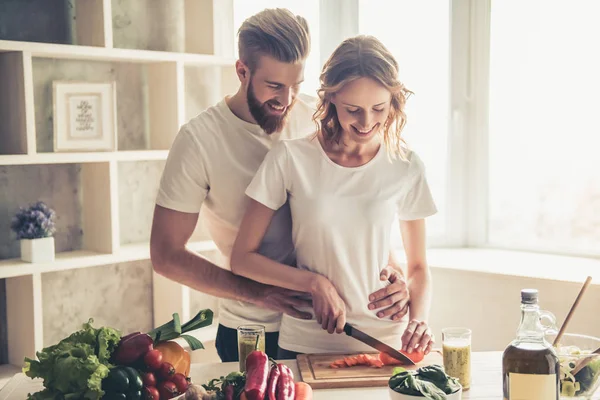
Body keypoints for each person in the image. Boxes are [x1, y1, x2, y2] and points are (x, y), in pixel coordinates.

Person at [150, 10, 410, 363]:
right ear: (242, 71)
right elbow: (166, 255)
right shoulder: (199, 140)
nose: (287, 100)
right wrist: (259, 293)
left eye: (296, 85)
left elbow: (357, 200)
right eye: (274, 86)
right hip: (252, 329)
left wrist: (393, 269)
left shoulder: (316, 119)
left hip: (323, 330)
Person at [230, 35, 437, 359]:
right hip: (308, 341)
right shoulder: (290, 158)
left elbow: (419, 267)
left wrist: (418, 318)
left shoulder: (406, 165)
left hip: (387, 341)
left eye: (378, 108)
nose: (367, 122)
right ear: (330, 101)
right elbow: (242, 258)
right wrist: (314, 283)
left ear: (393, 102)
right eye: (353, 109)